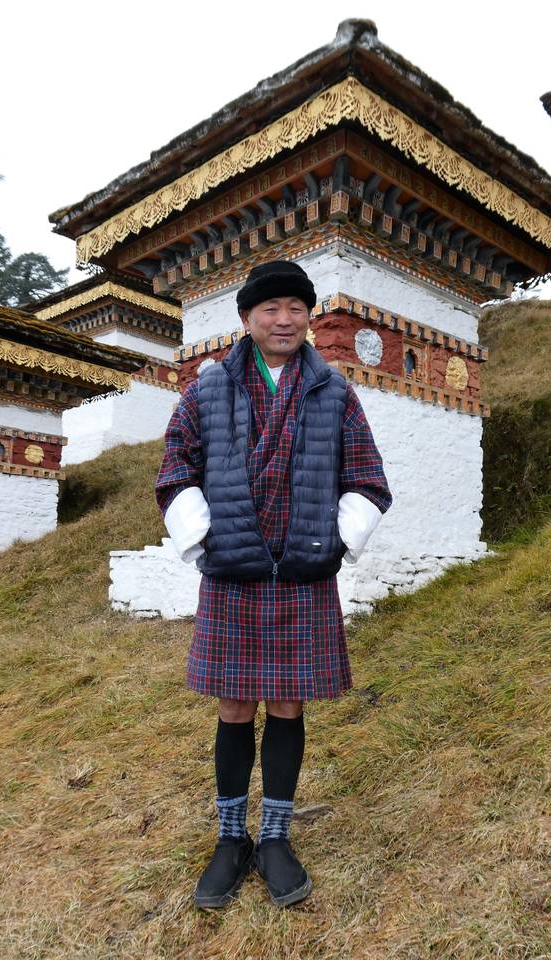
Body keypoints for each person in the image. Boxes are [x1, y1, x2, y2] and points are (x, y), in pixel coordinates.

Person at [154, 259, 392, 909]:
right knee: (234, 707)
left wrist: (332, 543)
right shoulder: (205, 391)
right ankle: (231, 838)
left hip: (302, 575)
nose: (283, 319)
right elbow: (176, 473)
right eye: (270, 309)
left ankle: (278, 837)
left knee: (289, 706)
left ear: (309, 316)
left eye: (295, 307)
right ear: (246, 319)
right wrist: (210, 544)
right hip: (234, 575)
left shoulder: (335, 393)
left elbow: (368, 481)